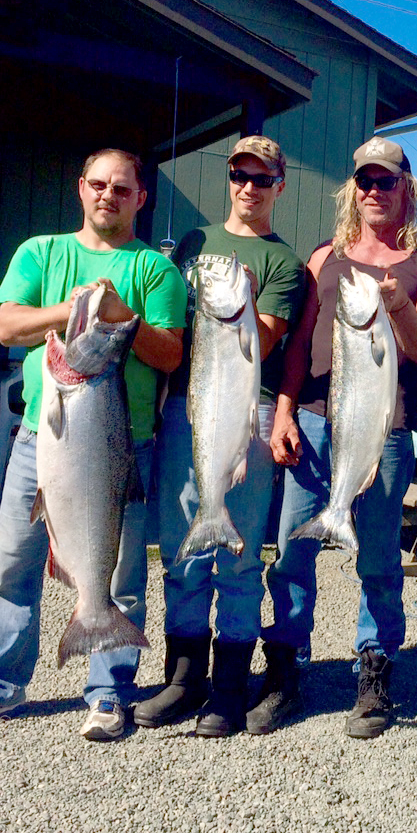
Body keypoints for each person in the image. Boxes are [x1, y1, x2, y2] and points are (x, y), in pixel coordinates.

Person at [0, 149, 187, 741]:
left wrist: (124, 323)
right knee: (14, 561)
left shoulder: (157, 271)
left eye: (122, 188)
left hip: (124, 447)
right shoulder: (39, 252)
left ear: (141, 198)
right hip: (42, 438)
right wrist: (73, 312)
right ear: (80, 189)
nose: (108, 196)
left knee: (118, 574)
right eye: (98, 185)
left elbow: (170, 354)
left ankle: (109, 692)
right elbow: (7, 326)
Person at [267, 138, 417, 737]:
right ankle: (283, 671)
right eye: (366, 182)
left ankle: (374, 672)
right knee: (292, 550)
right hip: (317, 422)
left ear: (408, 188)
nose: (375, 191)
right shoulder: (324, 258)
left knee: (379, 561)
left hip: (386, 431)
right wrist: (284, 411)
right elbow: (299, 345)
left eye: (387, 181)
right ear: (354, 189)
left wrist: (399, 306)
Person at [138, 137, 307, 738]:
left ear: (279, 186)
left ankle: (229, 688)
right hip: (188, 406)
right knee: (182, 546)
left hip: (248, 412)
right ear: (230, 178)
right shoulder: (193, 242)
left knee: (238, 556)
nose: (249, 187)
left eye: (262, 179)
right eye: (240, 175)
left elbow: (260, 342)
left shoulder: (283, 263)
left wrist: (243, 307)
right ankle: (184, 679)